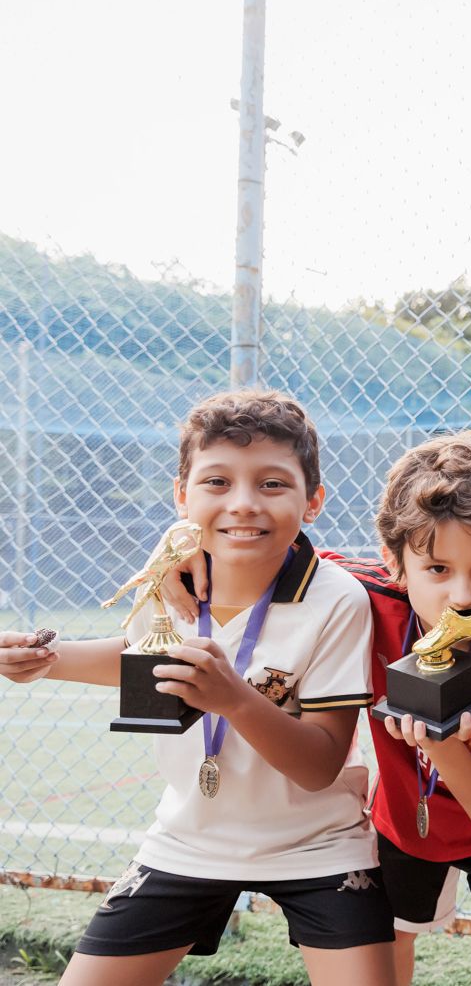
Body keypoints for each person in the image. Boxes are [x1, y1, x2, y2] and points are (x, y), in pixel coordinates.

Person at [0, 389, 394, 986]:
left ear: (312, 501)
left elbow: (319, 766)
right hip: (188, 842)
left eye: (271, 484)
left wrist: (234, 699)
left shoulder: (337, 599)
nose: (243, 504)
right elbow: (145, 661)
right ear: (181, 495)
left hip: (318, 844)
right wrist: (47, 658)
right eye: (216, 482)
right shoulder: (169, 577)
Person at [331, 432, 471, 986]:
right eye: (437, 569)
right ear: (394, 564)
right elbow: (279, 555)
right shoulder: (366, 594)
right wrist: (189, 550)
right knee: (385, 951)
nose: (462, 595)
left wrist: (441, 744)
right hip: (406, 823)